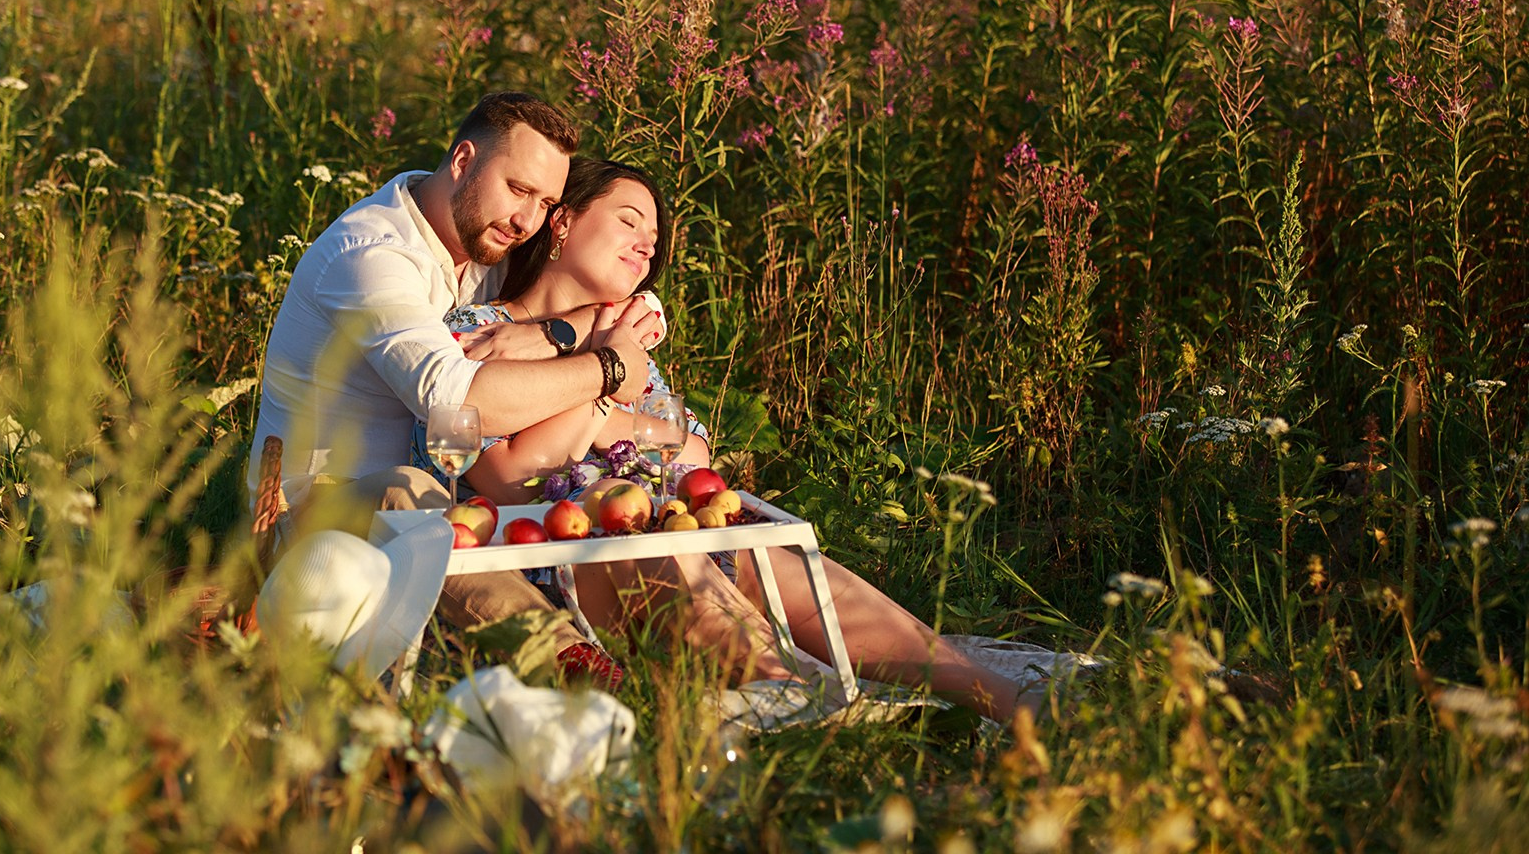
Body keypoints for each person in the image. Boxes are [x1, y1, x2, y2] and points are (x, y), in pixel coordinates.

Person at [414, 157, 1034, 721]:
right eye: (629, 222)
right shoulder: (477, 330)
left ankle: (997, 697)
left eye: (653, 242)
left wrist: (591, 371)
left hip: (675, 533)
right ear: (564, 223)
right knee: (632, 516)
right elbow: (511, 472)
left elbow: (687, 450)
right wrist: (609, 379)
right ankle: (814, 709)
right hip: (570, 563)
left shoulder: (631, 341)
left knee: (782, 568)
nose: (644, 248)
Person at [250, 92, 664, 687]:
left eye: (545, 202)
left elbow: (633, 298)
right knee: (412, 494)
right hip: (312, 515)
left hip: (447, 499)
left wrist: (562, 329)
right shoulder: (372, 253)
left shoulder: (484, 239)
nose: (526, 221)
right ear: (464, 161)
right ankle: (577, 671)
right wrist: (609, 369)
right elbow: (453, 400)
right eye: (518, 189)